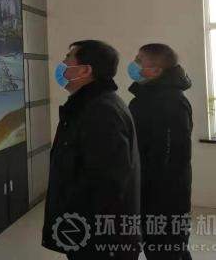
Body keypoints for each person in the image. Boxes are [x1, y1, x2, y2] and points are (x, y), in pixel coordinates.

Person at [42, 40, 141, 259]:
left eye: (68, 58)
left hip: (100, 240)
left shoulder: (101, 111)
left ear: (85, 70)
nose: (62, 63)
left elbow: (106, 182)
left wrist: (75, 226)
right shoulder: (89, 105)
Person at [127, 44, 193, 260]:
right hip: (152, 193)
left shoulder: (170, 101)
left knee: (166, 250)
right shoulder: (148, 98)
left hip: (164, 197)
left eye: (139, 61)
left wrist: (147, 191)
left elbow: (168, 157)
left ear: (156, 71)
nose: (133, 64)